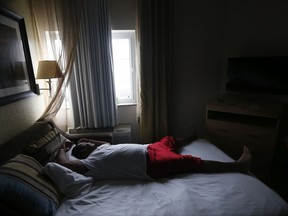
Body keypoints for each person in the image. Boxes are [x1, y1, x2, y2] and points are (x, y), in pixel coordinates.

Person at [57, 134, 251, 180]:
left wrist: (82, 140)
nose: (91, 143)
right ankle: (237, 166)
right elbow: (67, 164)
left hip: (149, 148)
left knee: (169, 139)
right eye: (86, 145)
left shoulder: (101, 149)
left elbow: (101, 143)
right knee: (190, 162)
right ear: (83, 152)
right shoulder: (89, 163)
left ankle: (194, 135)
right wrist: (63, 148)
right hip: (150, 164)